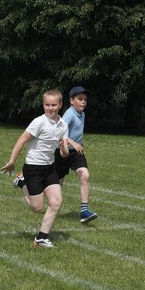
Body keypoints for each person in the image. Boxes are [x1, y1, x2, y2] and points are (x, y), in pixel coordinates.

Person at [0, 89, 70, 248]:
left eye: (53, 105)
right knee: (37, 207)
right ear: (43, 105)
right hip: (33, 168)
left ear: (60, 105)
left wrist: (64, 149)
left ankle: (41, 238)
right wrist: (12, 161)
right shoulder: (39, 122)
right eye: (47, 105)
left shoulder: (63, 125)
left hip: (50, 168)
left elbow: (64, 154)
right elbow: (21, 140)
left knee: (56, 202)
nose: (50, 108)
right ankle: (21, 181)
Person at [55, 86, 98, 224]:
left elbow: (77, 132)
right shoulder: (69, 114)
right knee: (56, 185)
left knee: (85, 175)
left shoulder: (82, 114)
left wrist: (80, 144)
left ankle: (84, 212)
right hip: (62, 152)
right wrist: (72, 143)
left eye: (85, 99)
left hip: (75, 153)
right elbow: (59, 132)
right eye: (80, 99)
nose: (83, 102)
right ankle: (23, 181)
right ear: (71, 101)